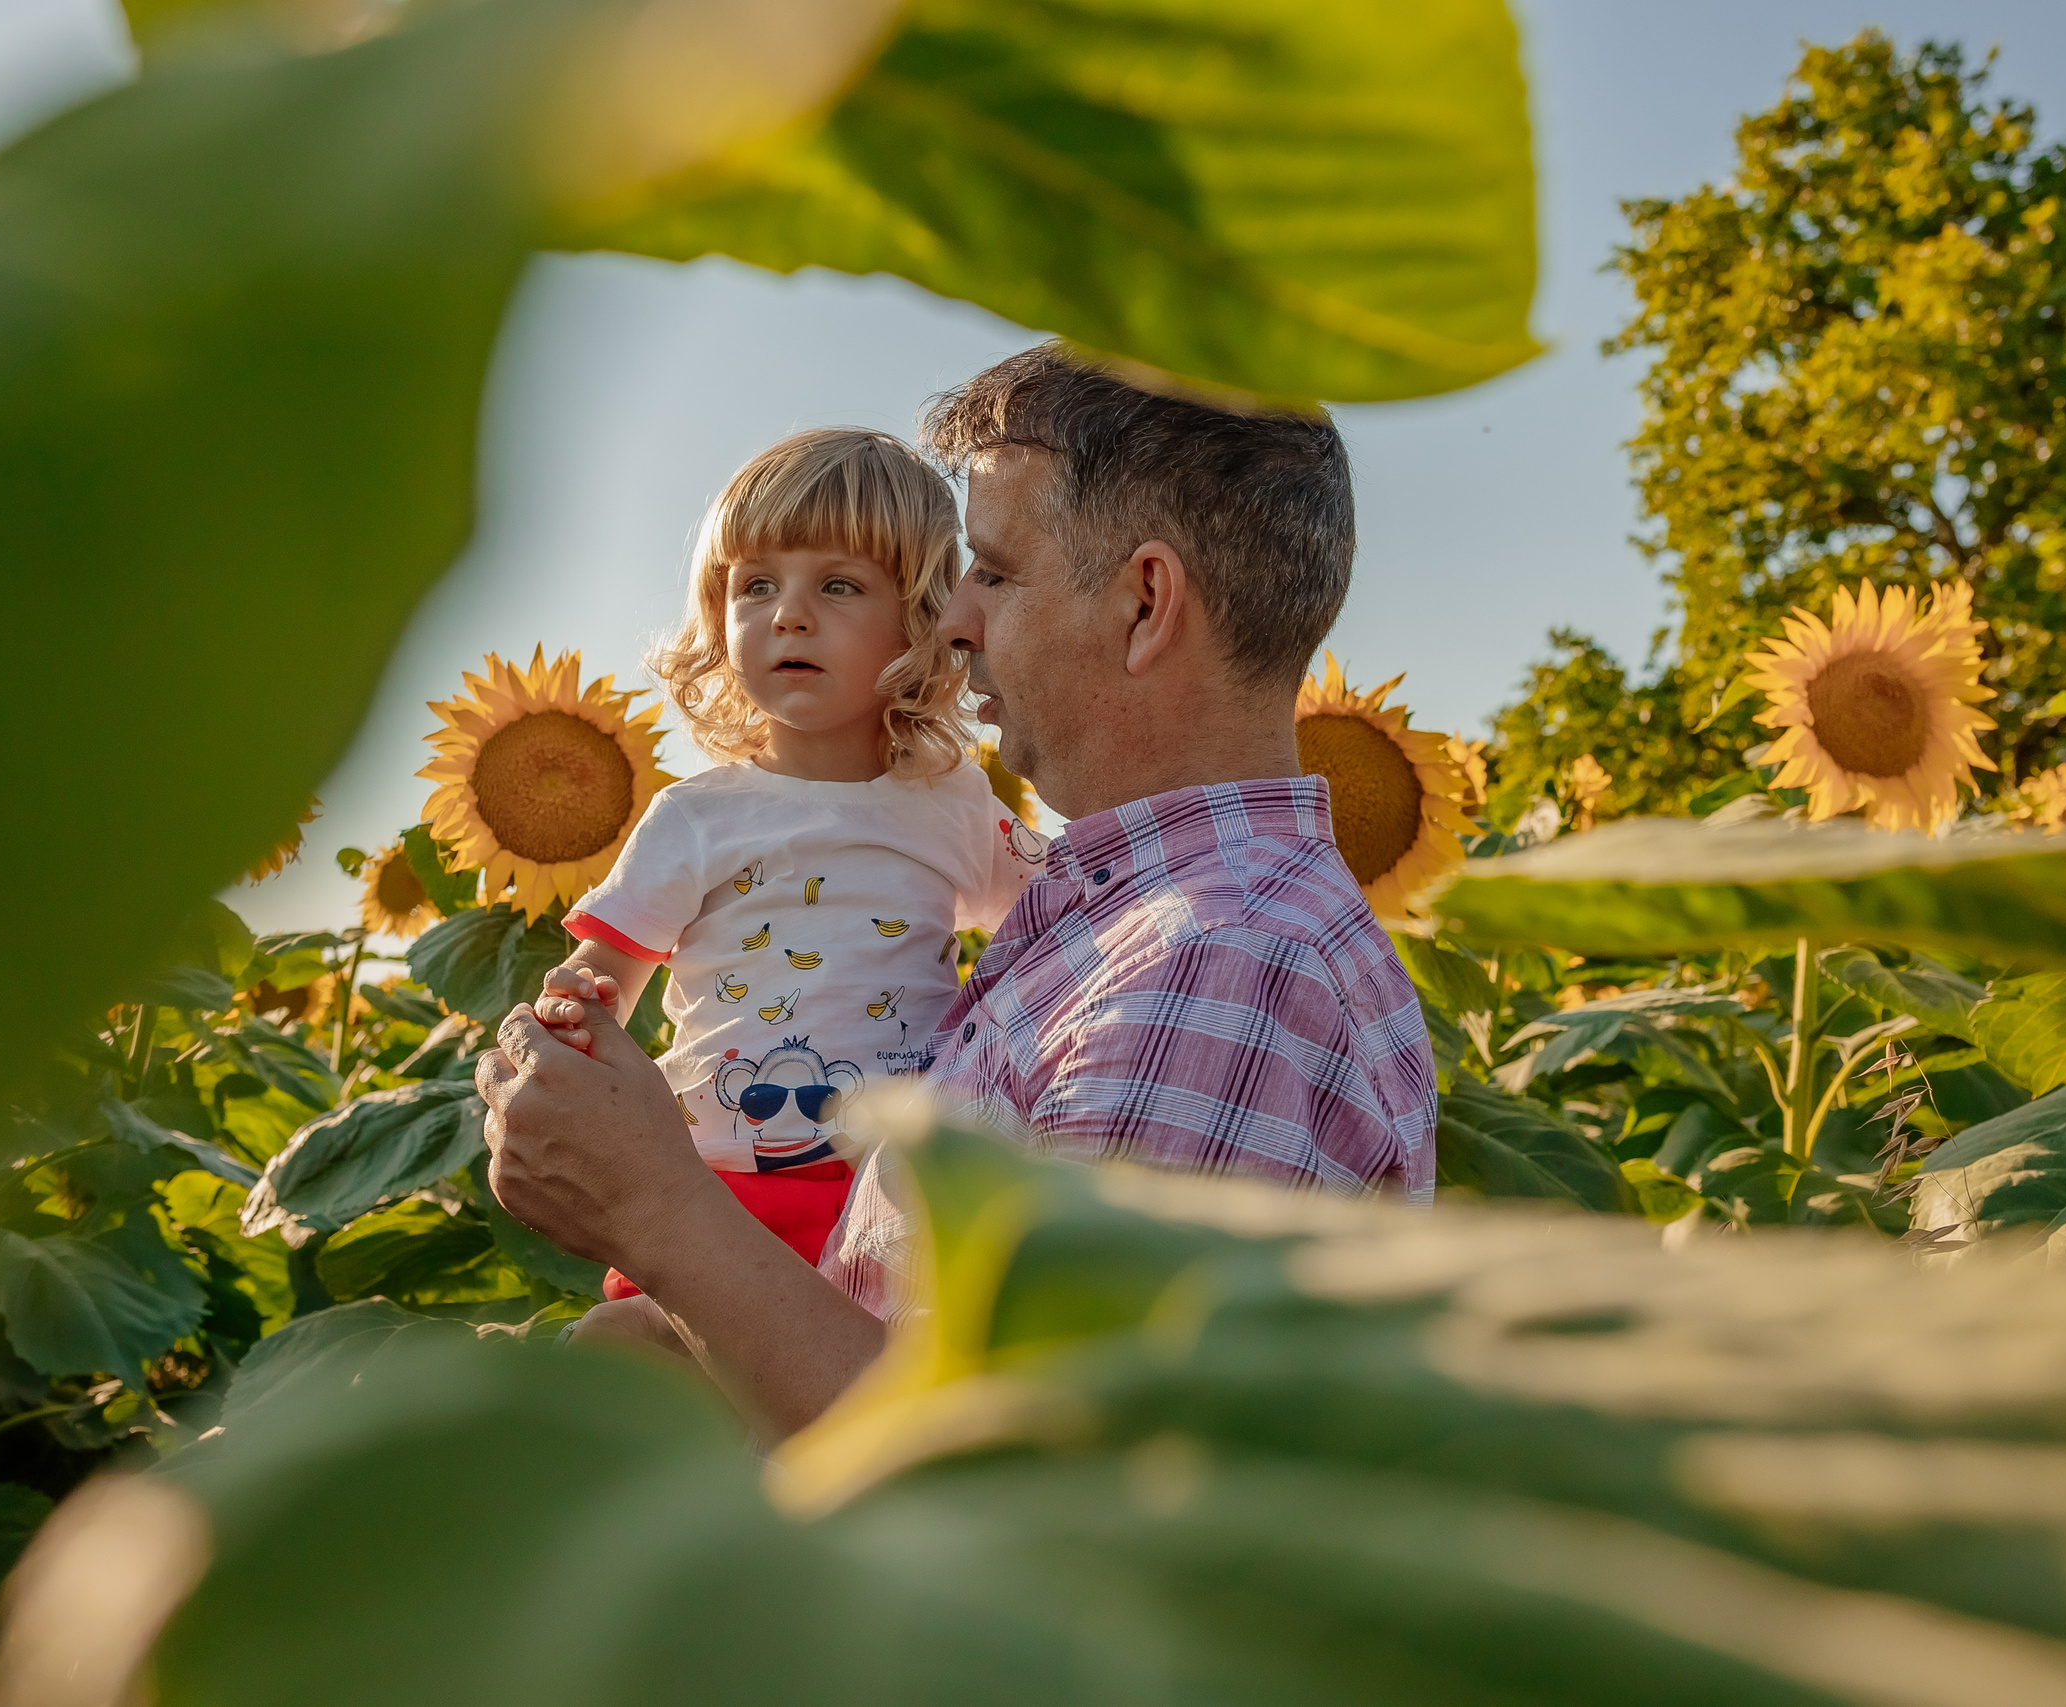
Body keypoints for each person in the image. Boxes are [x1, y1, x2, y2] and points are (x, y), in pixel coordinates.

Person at [484, 345, 1437, 1439]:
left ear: (1144, 603)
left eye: (994, 571)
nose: (950, 622)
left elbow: (1038, 1481)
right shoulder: (1114, 917)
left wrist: (658, 1212)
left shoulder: (1220, 966)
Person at [529, 427, 1038, 1307]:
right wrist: (575, 1007)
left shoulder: (953, 801)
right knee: (658, 1363)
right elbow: (605, 973)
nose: (789, 615)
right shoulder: (696, 817)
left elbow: (1061, 914)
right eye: (757, 585)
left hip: (902, 1192)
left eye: (838, 585)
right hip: (714, 1190)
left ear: (919, 616)